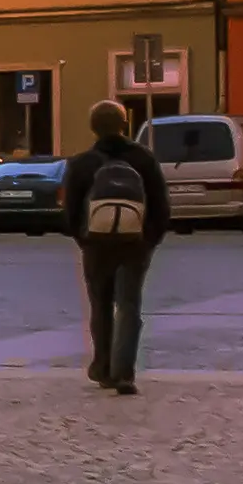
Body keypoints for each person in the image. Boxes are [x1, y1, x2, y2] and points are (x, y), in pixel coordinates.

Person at [61, 99, 171, 394]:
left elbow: (70, 210)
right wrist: (149, 239)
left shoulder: (82, 163)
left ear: (93, 128)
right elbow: (161, 206)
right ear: (125, 125)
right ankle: (124, 372)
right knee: (129, 304)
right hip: (135, 243)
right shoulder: (144, 159)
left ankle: (103, 367)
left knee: (100, 305)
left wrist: (84, 237)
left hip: (96, 244)